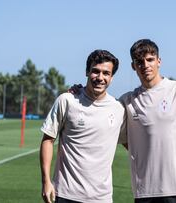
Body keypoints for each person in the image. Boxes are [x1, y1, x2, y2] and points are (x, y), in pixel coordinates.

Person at [118, 39, 176, 203]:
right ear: (133, 66)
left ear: (159, 61)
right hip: (144, 191)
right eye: (139, 62)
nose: (145, 65)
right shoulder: (126, 101)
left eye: (150, 60)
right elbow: (102, 110)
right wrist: (78, 92)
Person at [40, 49, 124, 203]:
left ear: (112, 77)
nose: (100, 77)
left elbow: (131, 144)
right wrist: (46, 181)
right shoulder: (67, 100)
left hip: (102, 198)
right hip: (66, 194)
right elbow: (48, 139)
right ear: (87, 72)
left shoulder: (119, 108)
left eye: (106, 73)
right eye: (95, 71)